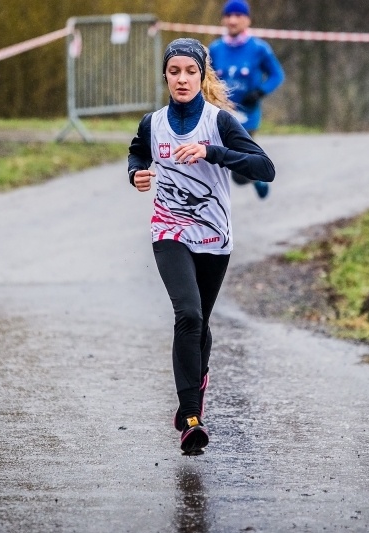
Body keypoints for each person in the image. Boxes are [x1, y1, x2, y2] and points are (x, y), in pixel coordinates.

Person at [127, 38, 275, 454]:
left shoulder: (220, 122)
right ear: (165, 76)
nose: (182, 79)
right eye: (174, 71)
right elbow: (137, 153)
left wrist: (212, 152)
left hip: (214, 236)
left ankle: (196, 380)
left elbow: (265, 167)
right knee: (188, 316)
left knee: (202, 323)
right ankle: (191, 416)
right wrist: (136, 173)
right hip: (169, 231)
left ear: (203, 74)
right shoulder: (151, 123)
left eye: (190, 71)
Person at [209, 0, 284, 199]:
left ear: (247, 20)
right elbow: (206, 77)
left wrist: (260, 92)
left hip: (247, 116)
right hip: (220, 114)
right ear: (223, 19)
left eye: (238, 16)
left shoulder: (259, 48)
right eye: (229, 16)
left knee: (240, 176)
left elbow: (277, 75)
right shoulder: (215, 49)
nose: (233, 20)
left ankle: (256, 178)